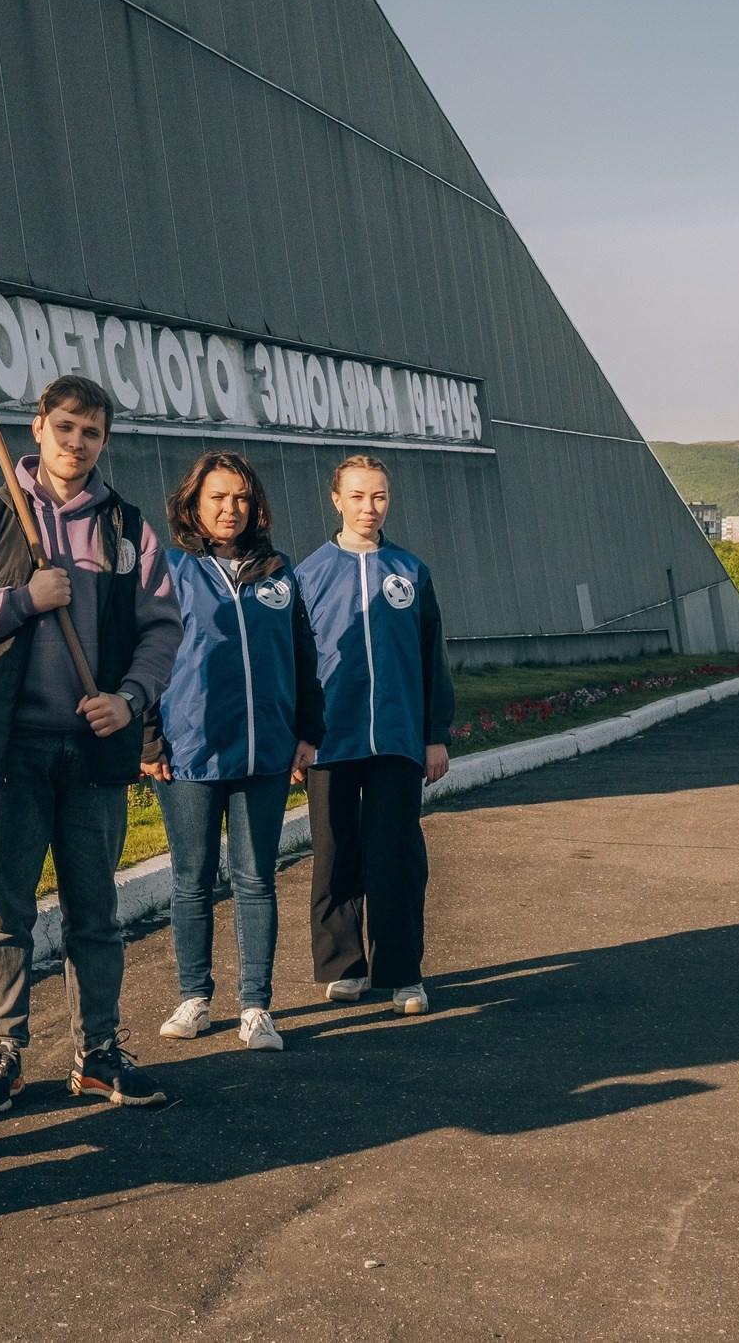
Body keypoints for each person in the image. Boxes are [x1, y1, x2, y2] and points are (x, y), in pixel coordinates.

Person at [0, 374, 182, 1112]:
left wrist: (129, 698)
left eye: (92, 433)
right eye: (66, 427)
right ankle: (3, 1051)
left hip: (93, 750)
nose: (77, 443)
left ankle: (98, 1053)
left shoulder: (127, 528)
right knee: (3, 908)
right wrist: (22, 600)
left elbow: (162, 629)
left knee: (95, 910)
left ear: (103, 442)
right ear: (37, 427)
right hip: (6, 748)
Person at [142, 451, 324, 1052]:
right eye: (217, 497)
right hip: (188, 750)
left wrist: (307, 730)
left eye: (241, 498)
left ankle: (256, 1007)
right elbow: (140, 655)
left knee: (256, 879)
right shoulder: (169, 569)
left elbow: (304, 655)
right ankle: (194, 998)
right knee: (191, 880)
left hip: (265, 752)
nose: (230, 508)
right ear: (193, 504)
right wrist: (147, 736)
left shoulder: (279, 571)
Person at [293, 455, 455, 1016]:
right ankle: (344, 966)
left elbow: (432, 658)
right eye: (358, 496)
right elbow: (293, 663)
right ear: (336, 499)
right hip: (329, 741)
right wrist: (299, 735)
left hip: (396, 740)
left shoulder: (410, 570)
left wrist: (435, 735)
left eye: (379, 497)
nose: (369, 507)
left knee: (397, 855)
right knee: (335, 853)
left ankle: (402, 971)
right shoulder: (307, 574)